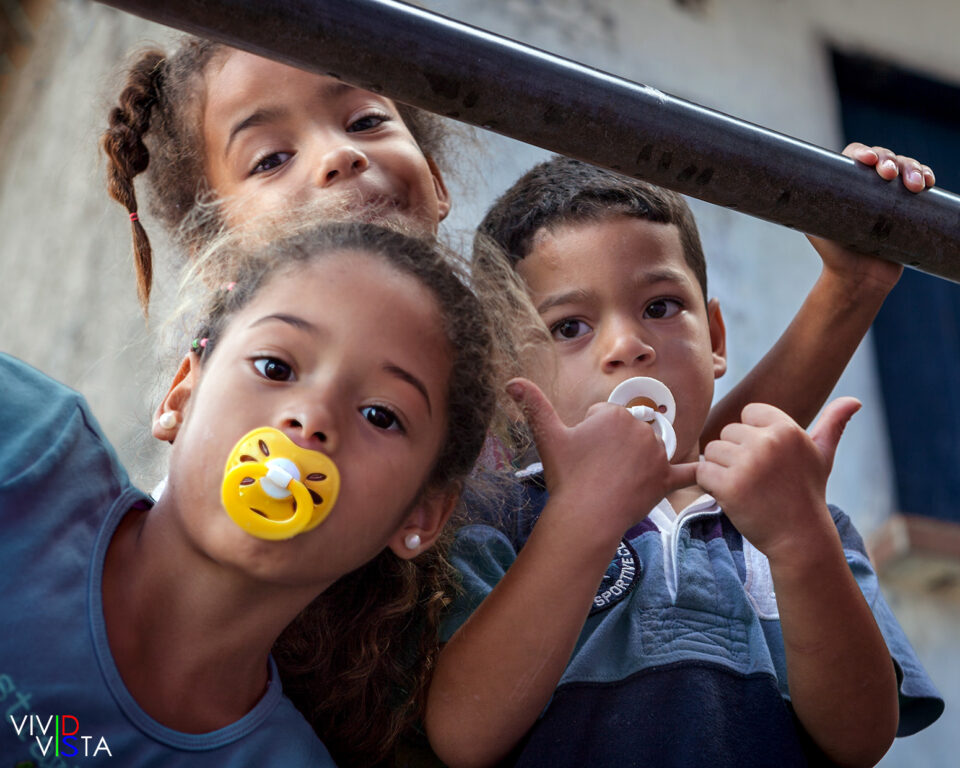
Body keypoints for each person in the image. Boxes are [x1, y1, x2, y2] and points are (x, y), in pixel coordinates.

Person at [100, 39, 933, 448]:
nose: (339, 154)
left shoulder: (502, 363)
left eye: (365, 120)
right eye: (271, 158)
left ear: (434, 177)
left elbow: (677, 486)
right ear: (217, 234)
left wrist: (849, 290)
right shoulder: (235, 388)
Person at [424, 156, 944, 768]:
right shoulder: (498, 517)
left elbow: (861, 739)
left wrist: (801, 540)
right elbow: (462, 736)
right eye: (569, 327)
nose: (627, 346)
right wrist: (582, 519)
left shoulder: (799, 515)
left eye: (661, 307)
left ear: (716, 339)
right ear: (508, 378)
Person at [0, 221, 496, 767]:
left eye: (380, 415)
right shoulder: (23, 441)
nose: (312, 419)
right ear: (182, 395)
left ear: (421, 515)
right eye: (275, 367)